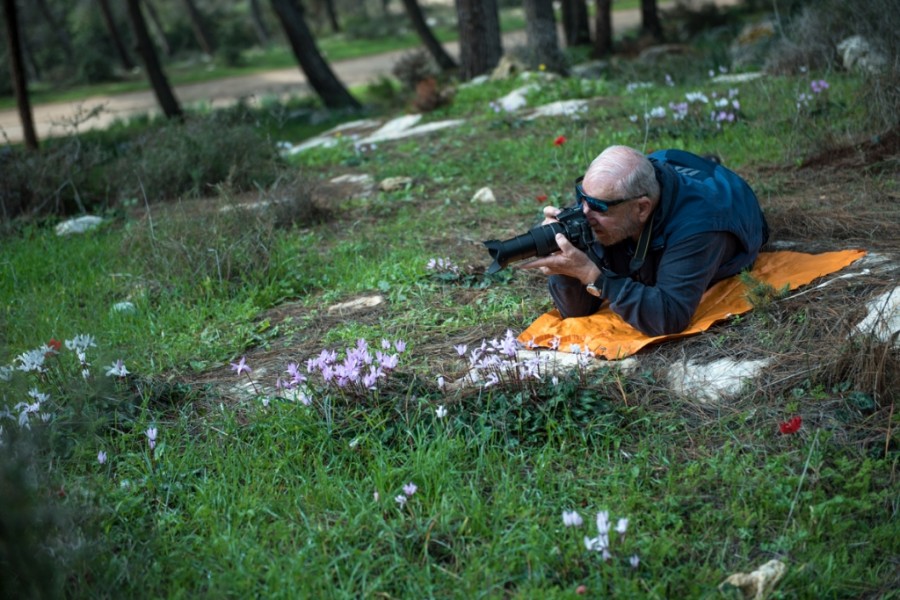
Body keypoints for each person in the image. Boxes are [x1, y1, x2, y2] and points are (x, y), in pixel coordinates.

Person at [519, 145, 769, 336]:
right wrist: (565, 264)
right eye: (581, 196)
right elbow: (576, 312)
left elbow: (669, 318)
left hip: (723, 203)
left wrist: (594, 276)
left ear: (641, 208)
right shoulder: (606, 208)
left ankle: (710, 164)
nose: (584, 213)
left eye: (597, 206)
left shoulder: (699, 228)